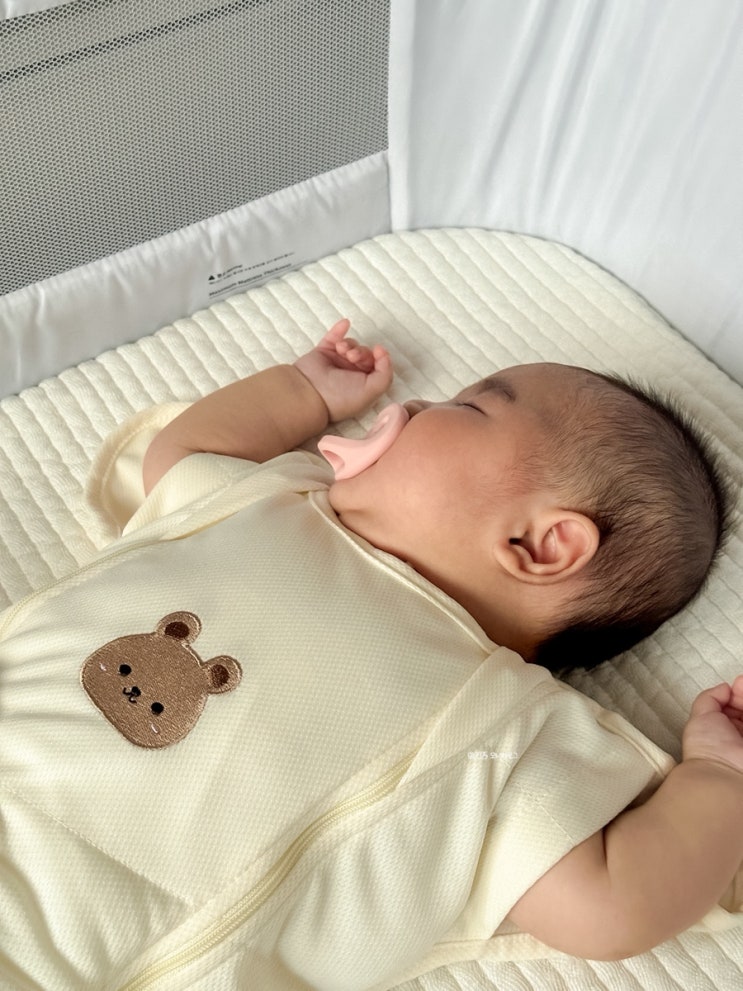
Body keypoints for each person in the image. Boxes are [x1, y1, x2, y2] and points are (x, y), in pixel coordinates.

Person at [0, 319, 741, 989]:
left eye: (468, 408)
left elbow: (608, 905)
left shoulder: (503, 723)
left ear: (540, 544)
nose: (414, 404)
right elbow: (186, 453)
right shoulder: (274, 500)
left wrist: (716, 776)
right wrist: (300, 391)